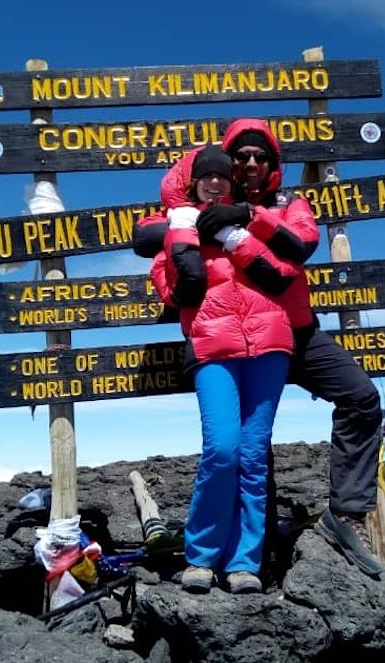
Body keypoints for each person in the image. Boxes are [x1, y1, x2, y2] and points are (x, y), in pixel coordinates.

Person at [134, 119, 385, 578]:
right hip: (228, 339)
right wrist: (198, 225)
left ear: (273, 165)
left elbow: (304, 243)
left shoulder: (288, 204)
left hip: (295, 335)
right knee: (241, 448)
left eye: (261, 156)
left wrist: (250, 218)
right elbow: (149, 235)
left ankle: (344, 515)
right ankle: (251, 555)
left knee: (361, 398)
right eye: (241, 157)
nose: (250, 164)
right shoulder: (200, 204)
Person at [151, 145, 302, 594]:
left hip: (270, 345)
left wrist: (237, 238)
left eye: (223, 177)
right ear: (194, 182)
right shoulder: (175, 235)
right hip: (213, 350)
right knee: (222, 450)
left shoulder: (248, 226)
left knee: (254, 458)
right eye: (206, 176)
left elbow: (283, 271)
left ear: (232, 183)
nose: (215, 182)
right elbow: (173, 292)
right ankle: (200, 557)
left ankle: (243, 564)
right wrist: (187, 242)